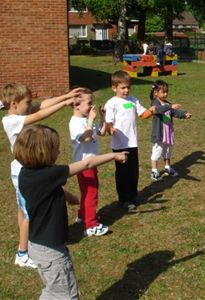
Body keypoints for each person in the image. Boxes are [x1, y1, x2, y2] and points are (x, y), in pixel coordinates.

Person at [14, 124, 128, 299]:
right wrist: (114, 155)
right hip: (52, 251)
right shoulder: (50, 174)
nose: (59, 152)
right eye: (55, 149)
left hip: (37, 245)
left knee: (53, 291)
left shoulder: (25, 174)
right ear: (42, 153)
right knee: (67, 295)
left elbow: (49, 191)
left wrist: (71, 198)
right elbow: (87, 163)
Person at [1, 83, 80, 268]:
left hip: (23, 173)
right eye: (28, 102)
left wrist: (65, 96)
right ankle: (22, 254)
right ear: (14, 103)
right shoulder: (11, 121)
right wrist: (65, 103)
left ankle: (25, 243)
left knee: (23, 210)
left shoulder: (20, 114)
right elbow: (39, 115)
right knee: (29, 214)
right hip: (23, 173)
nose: (31, 105)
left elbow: (42, 106)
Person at [104, 70, 155, 210]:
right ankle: (123, 198)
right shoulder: (111, 103)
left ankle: (133, 195)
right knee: (122, 173)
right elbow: (108, 123)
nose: (126, 90)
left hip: (132, 143)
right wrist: (110, 129)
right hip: (119, 145)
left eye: (128, 87)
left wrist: (151, 111)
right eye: (123, 88)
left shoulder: (133, 100)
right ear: (114, 88)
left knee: (133, 171)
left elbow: (143, 114)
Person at [69, 87, 111, 237]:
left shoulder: (87, 119)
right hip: (83, 165)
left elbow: (101, 132)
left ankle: (82, 215)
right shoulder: (75, 123)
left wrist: (101, 117)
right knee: (91, 193)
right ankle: (91, 225)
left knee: (88, 191)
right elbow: (86, 138)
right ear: (76, 105)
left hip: (91, 163)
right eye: (89, 103)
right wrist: (91, 120)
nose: (92, 106)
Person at [149, 80, 192, 181]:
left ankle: (167, 167)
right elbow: (158, 110)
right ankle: (154, 171)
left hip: (168, 132)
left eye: (166, 91)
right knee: (157, 151)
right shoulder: (155, 103)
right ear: (156, 93)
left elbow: (174, 112)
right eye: (163, 92)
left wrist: (184, 114)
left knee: (168, 151)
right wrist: (170, 106)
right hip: (159, 133)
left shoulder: (167, 103)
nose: (166, 94)